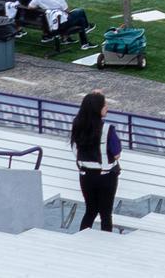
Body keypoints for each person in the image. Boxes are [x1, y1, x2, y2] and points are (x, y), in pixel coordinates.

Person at [70, 91, 126, 233]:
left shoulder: (77, 126)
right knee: (106, 214)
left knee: (90, 210)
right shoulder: (107, 129)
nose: (107, 107)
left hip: (85, 176)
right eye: (104, 105)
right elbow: (117, 154)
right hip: (106, 177)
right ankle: (106, 242)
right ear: (97, 109)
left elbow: (75, 149)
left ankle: (81, 237)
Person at [29, 0, 95, 48]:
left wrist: (45, 8)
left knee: (79, 16)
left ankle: (77, 37)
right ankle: (85, 34)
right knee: (80, 14)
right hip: (59, 24)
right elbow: (67, 10)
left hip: (47, 22)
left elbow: (30, 7)